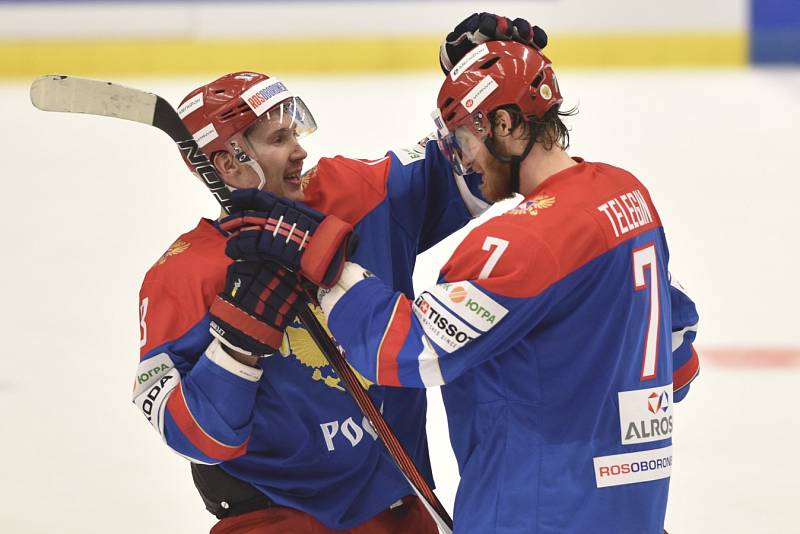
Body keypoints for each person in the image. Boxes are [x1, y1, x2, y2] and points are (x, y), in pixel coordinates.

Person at [233, 40, 701, 533]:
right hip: (634, 510)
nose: (459, 158)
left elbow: (409, 352)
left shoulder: (522, 243)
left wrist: (327, 263)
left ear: (504, 125)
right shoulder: (625, 195)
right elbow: (678, 355)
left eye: (462, 137)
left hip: (536, 510)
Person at [133, 14, 546, 533]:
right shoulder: (183, 275)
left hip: (400, 502)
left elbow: (477, 172)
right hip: (278, 517)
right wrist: (237, 343)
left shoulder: (353, 193)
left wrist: (484, 88)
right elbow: (193, 434)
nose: (301, 149)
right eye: (279, 137)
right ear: (229, 163)